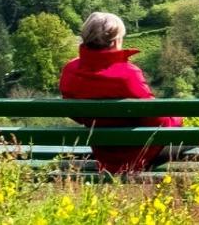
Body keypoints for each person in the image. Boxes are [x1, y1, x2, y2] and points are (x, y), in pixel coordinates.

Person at [57, 12, 183, 173]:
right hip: (136, 155)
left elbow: (74, 112)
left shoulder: (70, 70)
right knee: (196, 142)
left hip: (103, 152)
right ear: (116, 41)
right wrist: (177, 119)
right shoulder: (128, 74)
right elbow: (159, 120)